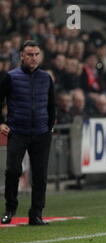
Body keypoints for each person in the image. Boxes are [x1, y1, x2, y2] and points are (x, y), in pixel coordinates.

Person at [0, 40, 56, 225]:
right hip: (18, 131)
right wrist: (1, 123)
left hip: (41, 133)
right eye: (30, 55)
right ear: (22, 56)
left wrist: (49, 127)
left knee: (40, 175)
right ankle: (10, 208)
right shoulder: (10, 77)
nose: (33, 58)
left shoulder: (45, 78)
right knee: (12, 171)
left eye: (36, 54)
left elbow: (51, 105)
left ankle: (36, 213)